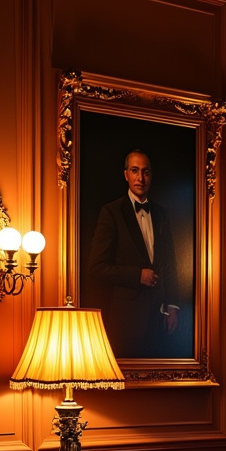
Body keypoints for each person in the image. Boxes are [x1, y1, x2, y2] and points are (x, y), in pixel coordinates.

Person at [87, 150, 180, 358]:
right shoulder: (111, 212)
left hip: (159, 320)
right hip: (125, 321)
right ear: (126, 174)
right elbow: (96, 268)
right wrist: (137, 275)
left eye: (145, 172)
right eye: (135, 171)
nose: (140, 178)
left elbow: (170, 263)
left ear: (151, 175)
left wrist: (173, 306)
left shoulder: (161, 214)